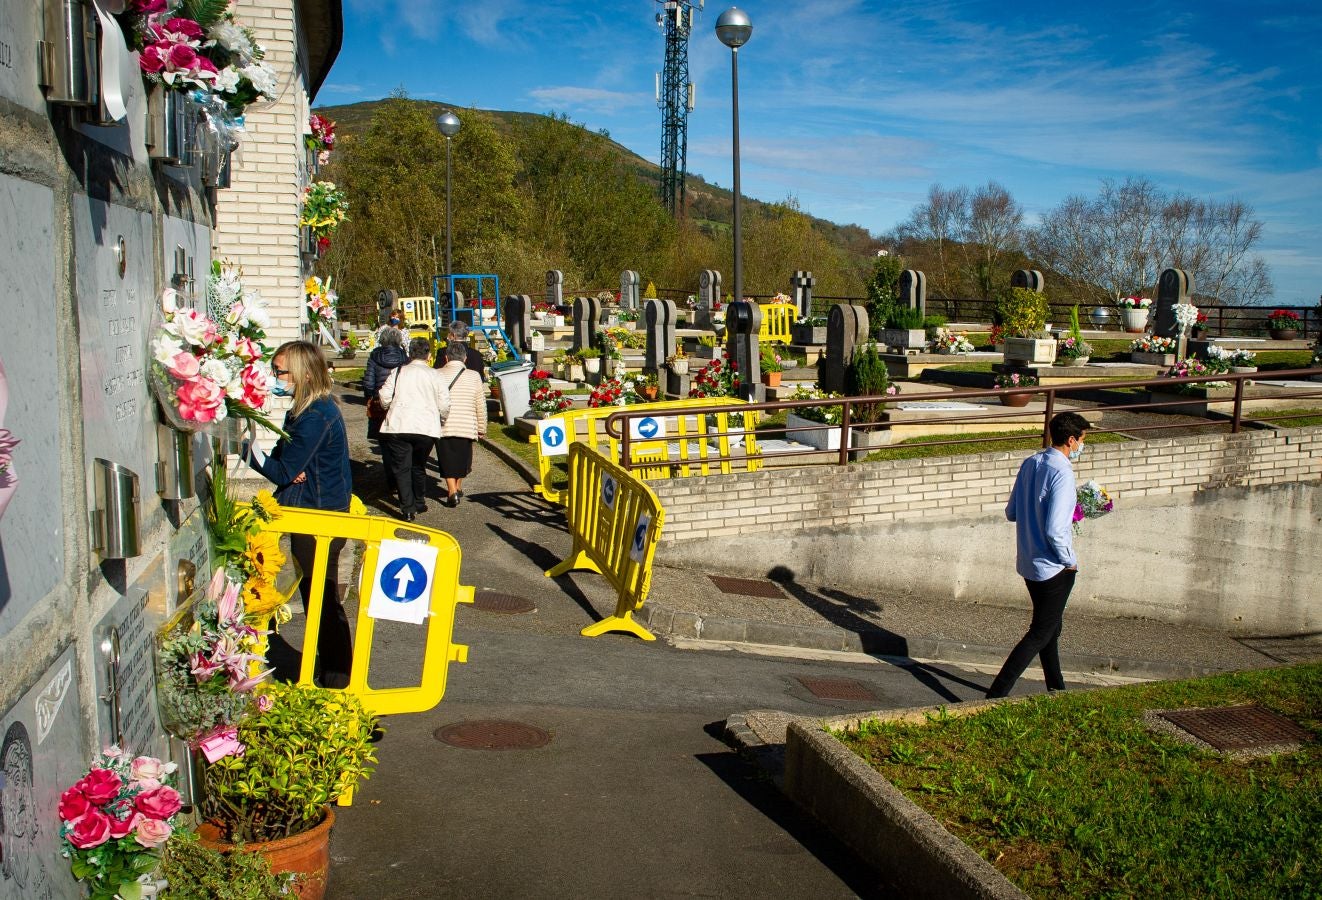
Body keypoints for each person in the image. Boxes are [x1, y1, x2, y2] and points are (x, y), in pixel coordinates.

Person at [242, 341, 354, 689]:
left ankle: (338, 676)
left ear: (303, 373)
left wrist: (246, 449)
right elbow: (285, 463)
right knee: (317, 594)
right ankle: (334, 671)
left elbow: (281, 469)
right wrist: (287, 468)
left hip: (320, 518)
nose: (275, 377)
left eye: (280, 371)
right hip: (311, 512)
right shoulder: (303, 411)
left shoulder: (315, 415)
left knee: (322, 596)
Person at [986, 411, 1091, 699]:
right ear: (1071, 440)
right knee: (1040, 632)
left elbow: (1012, 512)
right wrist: (1069, 561)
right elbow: (1056, 530)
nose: (1083, 446)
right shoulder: (1063, 473)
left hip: (1029, 563)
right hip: (1054, 568)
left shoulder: (1031, 463)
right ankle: (996, 694)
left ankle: (1056, 689)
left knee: (1050, 630)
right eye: (1082, 440)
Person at [378, 337, 452, 521]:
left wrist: (387, 406)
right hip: (426, 426)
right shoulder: (435, 375)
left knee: (402, 468)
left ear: (410, 354)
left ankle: (408, 508)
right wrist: (441, 419)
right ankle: (419, 500)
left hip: (399, 424)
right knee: (418, 465)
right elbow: (444, 403)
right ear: (428, 355)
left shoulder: (398, 371)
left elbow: (384, 396)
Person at [435, 340, 487, 507]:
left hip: (444, 424)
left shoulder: (436, 374)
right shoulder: (474, 376)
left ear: (446, 358)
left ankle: (451, 490)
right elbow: (481, 404)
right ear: (464, 358)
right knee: (463, 459)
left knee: (446, 458)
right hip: (466, 424)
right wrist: (482, 426)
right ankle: (456, 488)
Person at [362, 326, 408, 441]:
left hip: (379, 400)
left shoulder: (375, 356)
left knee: (382, 437)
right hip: (400, 400)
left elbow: (368, 382)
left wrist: (369, 396)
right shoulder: (404, 357)